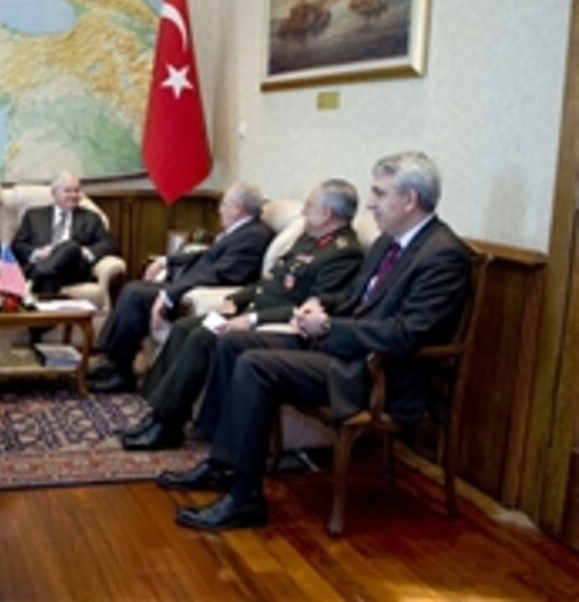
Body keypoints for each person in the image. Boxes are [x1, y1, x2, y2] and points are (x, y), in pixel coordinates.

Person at [160, 151, 472, 533]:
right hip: (344, 352)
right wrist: (317, 306)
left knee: (255, 365)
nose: (370, 203)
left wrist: (329, 328)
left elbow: (407, 333)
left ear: (408, 200)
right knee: (233, 343)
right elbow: (357, 300)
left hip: (377, 374)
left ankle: (245, 499)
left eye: (379, 193)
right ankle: (222, 463)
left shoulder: (443, 255)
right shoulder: (388, 243)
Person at [120, 179, 364, 451]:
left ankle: (166, 427)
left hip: (275, 325)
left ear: (326, 214)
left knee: (202, 337)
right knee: (184, 327)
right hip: (252, 312)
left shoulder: (344, 254)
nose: (304, 212)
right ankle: (159, 416)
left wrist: (253, 319)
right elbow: (270, 282)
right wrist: (237, 300)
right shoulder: (309, 239)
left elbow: (310, 308)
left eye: (309, 206)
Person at [90, 182, 274, 393]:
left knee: (134, 293)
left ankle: (121, 373)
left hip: (197, 291)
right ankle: (113, 362)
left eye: (223, 204)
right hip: (186, 283)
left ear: (237, 208)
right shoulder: (240, 230)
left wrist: (170, 293)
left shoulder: (254, 236)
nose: (219, 209)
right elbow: (205, 255)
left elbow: (219, 274)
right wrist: (167, 261)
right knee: (133, 289)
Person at [11, 171, 117, 294]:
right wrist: (37, 253)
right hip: (47, 267)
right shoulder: (34, 215)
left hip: (74, 269)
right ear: (54, 193)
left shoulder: (91, 218)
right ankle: (43, 278)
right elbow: (17, 245)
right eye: (68, 191)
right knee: (49, 280)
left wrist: (86, 252)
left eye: (77, 191)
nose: (73, 195)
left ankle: (37, 274)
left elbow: (109, 243)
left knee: (71, 246)